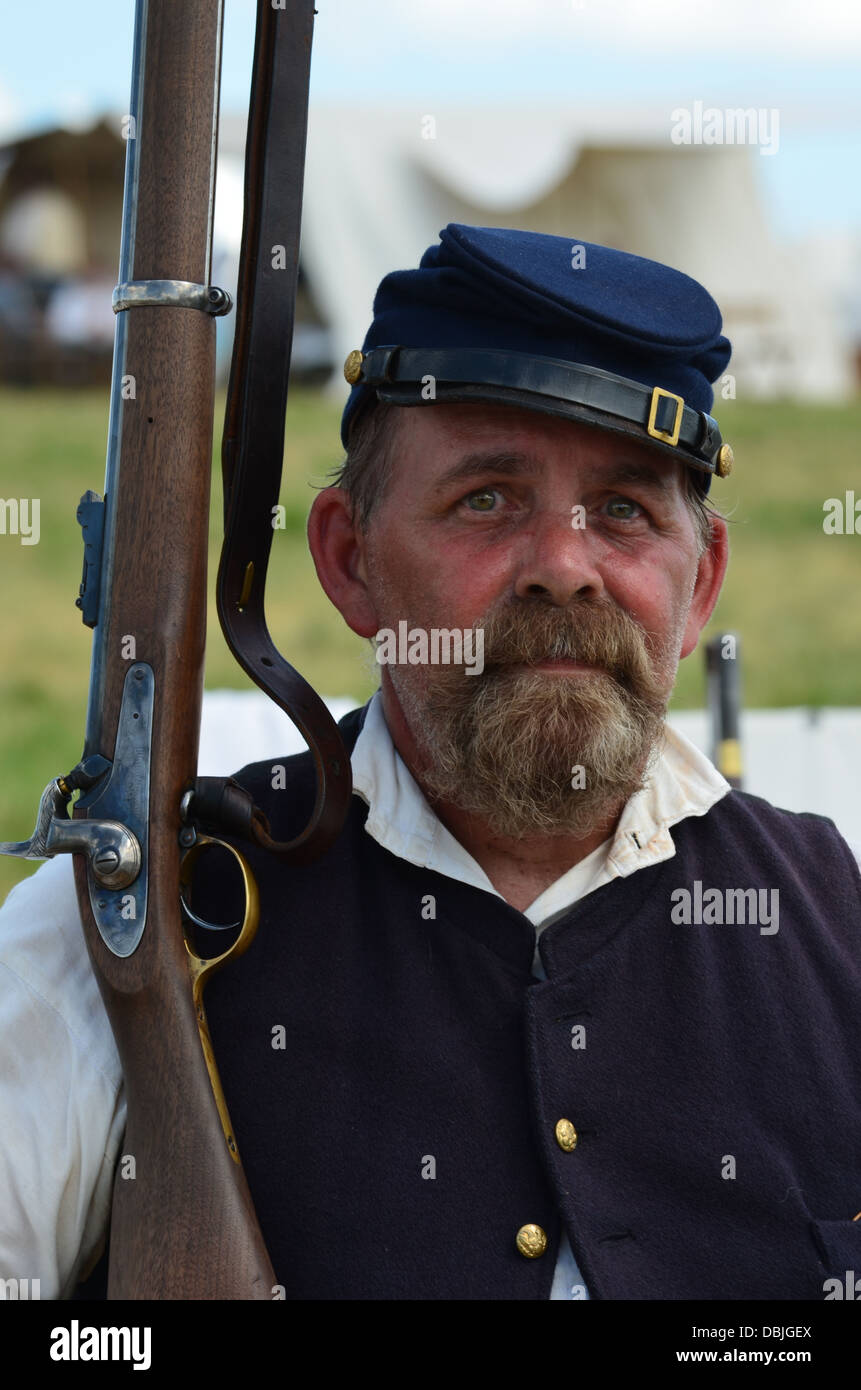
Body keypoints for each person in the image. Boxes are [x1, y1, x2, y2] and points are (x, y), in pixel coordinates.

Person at [1, 224, 859, 1301]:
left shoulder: (835, 921)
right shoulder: (128, 922)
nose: (564, 568)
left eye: (626, 511)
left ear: (703, 583)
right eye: (487, 500)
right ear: (349, 561)